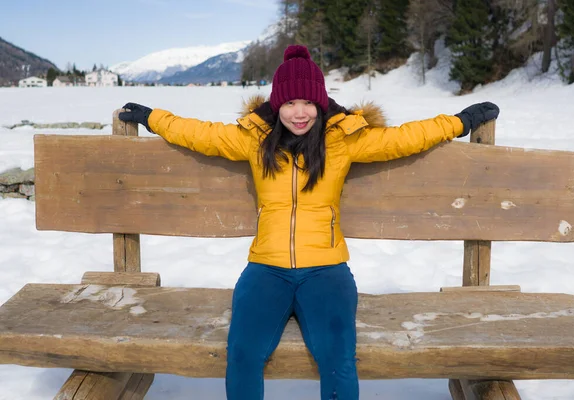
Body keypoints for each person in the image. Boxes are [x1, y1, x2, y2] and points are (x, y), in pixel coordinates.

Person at [119, 44, 499, 400]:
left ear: (320, 103)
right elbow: (200, 134)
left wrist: (459, 122)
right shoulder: (254, 138)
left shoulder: (344, 139)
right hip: (266, 268)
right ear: (276, 104)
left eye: (307, 102)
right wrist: (154, 118)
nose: (299, 112)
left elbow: (404, 139)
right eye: (289, 102)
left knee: (338, 358)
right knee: (242, 353)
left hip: (326, 269)